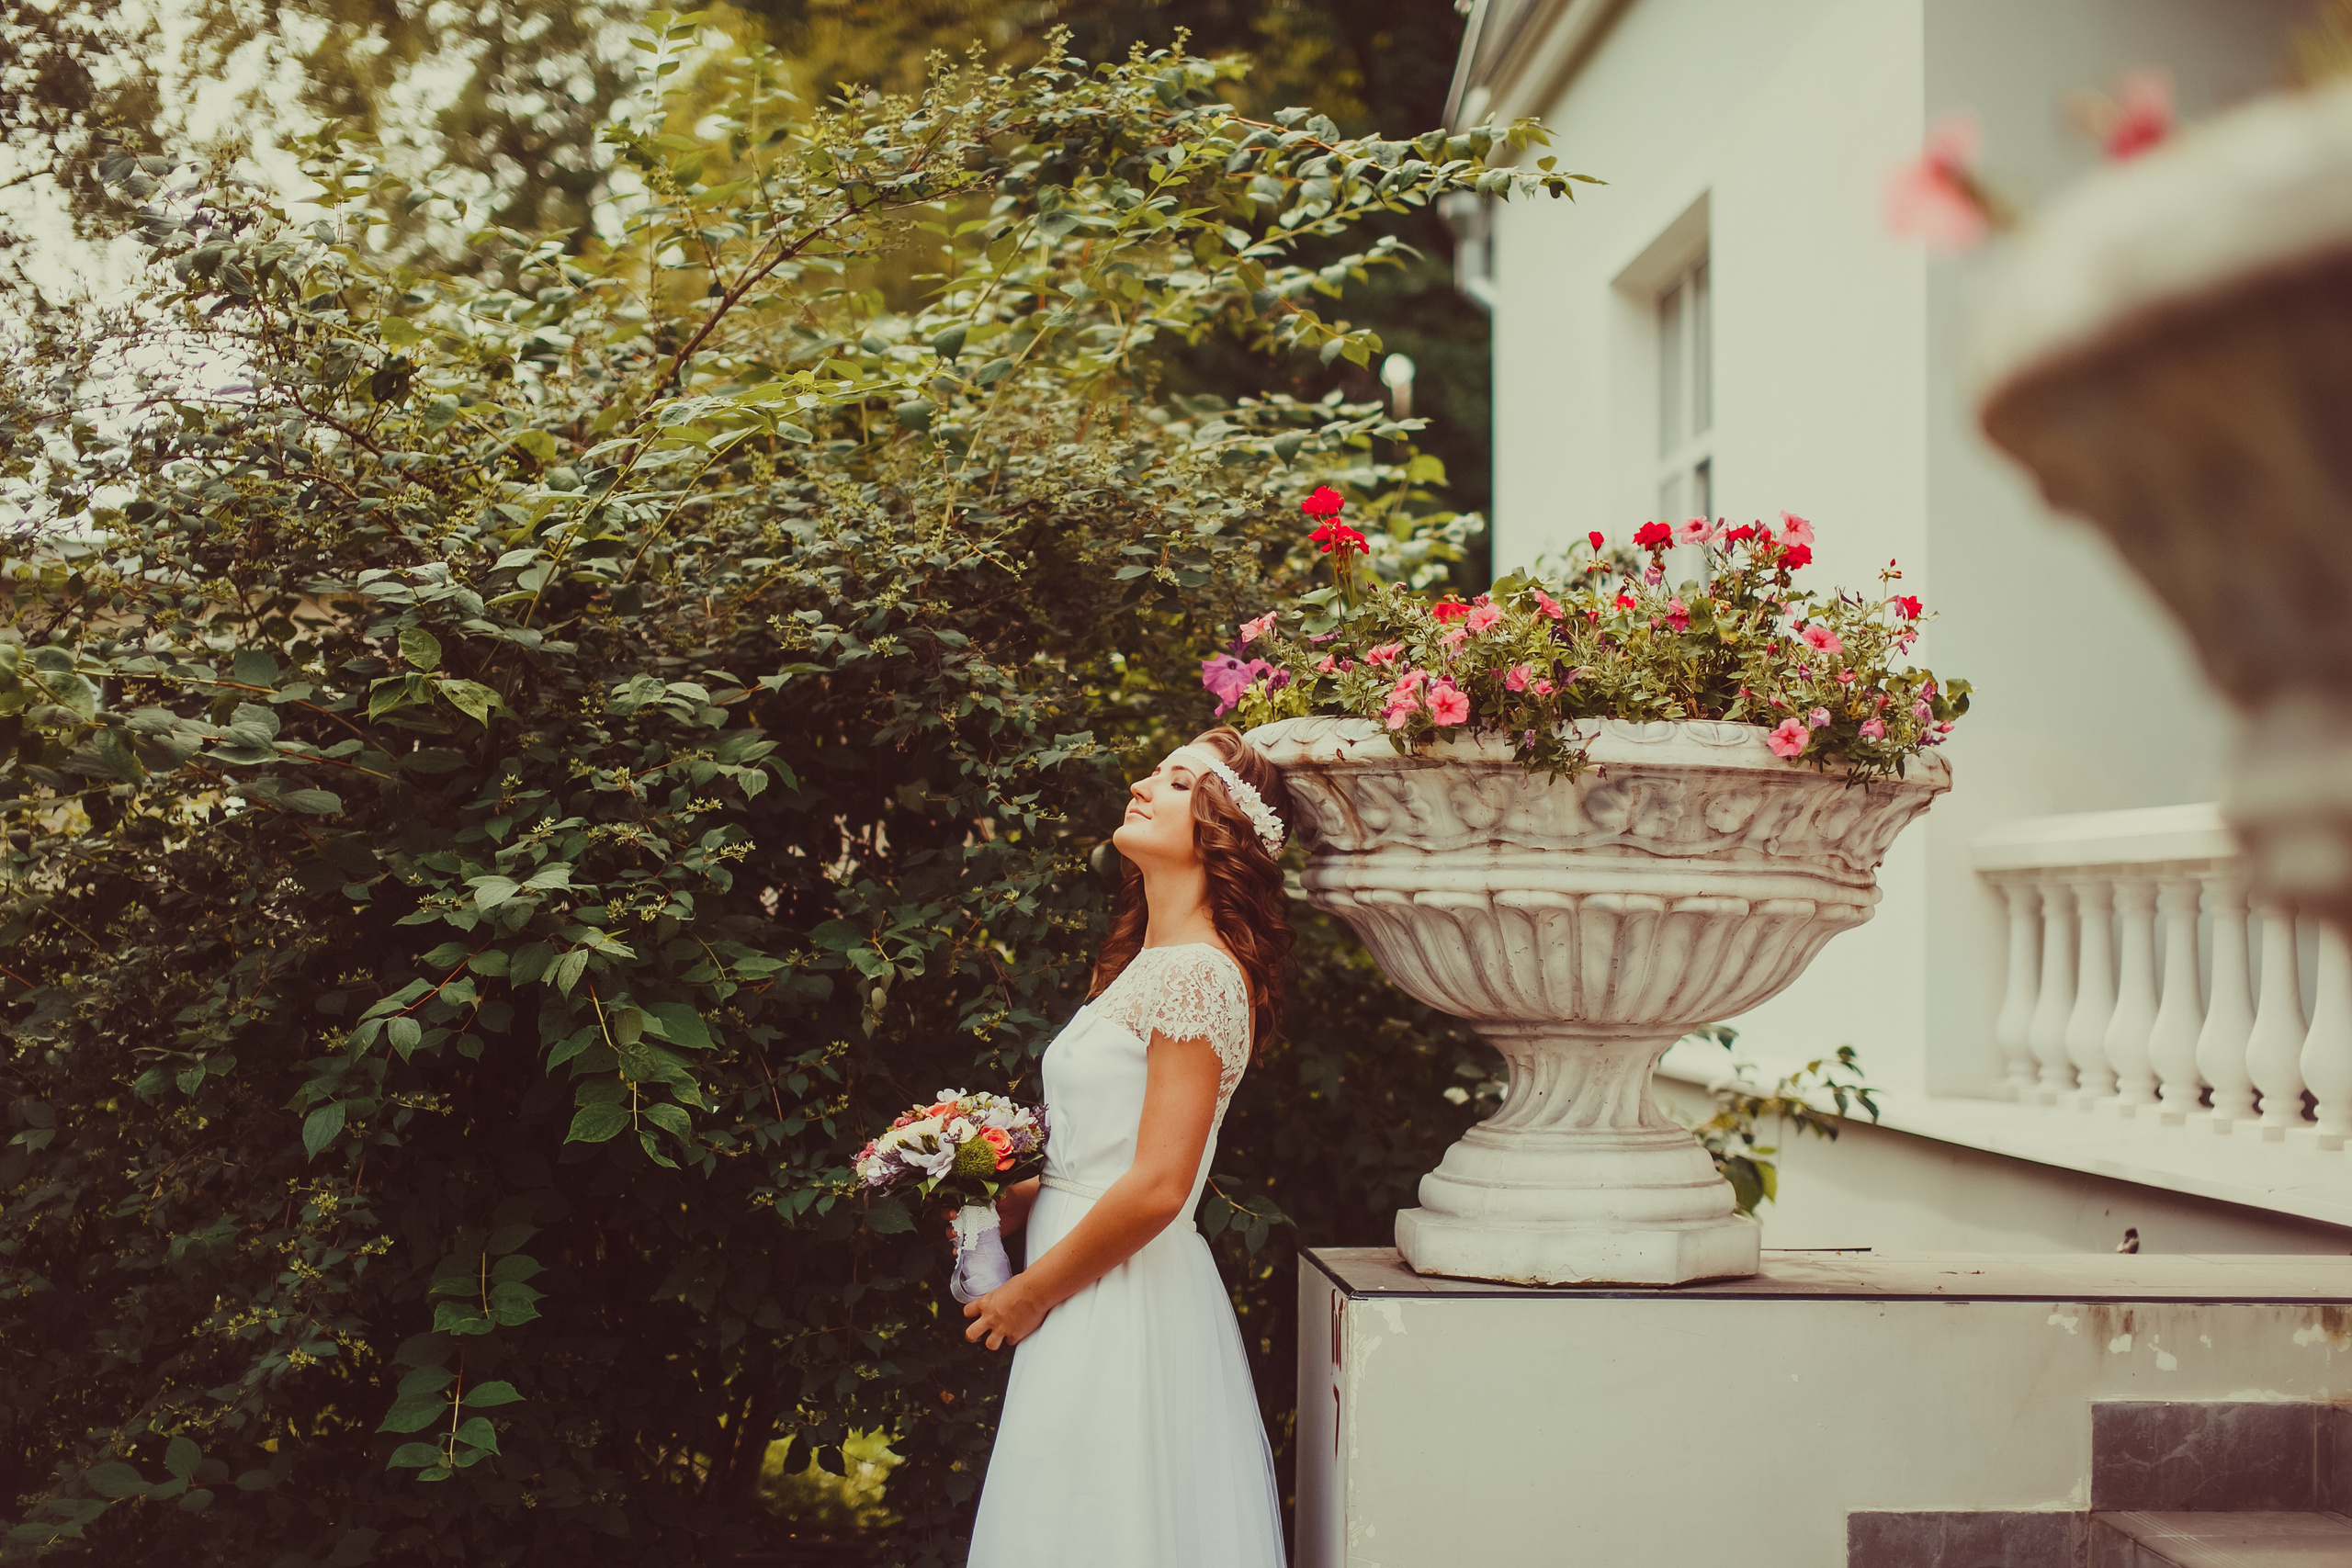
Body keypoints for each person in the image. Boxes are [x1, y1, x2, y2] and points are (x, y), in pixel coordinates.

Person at [963, 726, 1294, 1567]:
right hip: (1085, 1273)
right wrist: (1007, 1197)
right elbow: (1109, 1159)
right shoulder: (1148, 962)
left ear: (1222, 827)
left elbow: (1156, 1189)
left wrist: (1030, 1294)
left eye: (1177, 780)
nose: (1144, 784)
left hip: (1115, 1294)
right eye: (1153, 769)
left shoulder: (1195, 972)